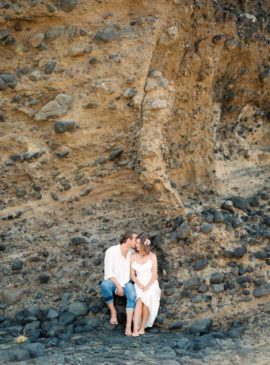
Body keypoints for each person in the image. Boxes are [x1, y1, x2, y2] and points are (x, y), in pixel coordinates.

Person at [101, 231, 137, 336]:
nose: (137, 241)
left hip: (126, 282)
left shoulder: (132, 253)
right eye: (135, 239)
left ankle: (128, 327)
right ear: (129, 240)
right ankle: (113, 312)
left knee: (133, 295)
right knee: (105, 285)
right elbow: (108, 273)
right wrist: (118, 287)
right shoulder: (111, 251)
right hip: (113, 282)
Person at [130, 233, 161, 336]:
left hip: (151, 282)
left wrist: (147, 286)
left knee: (147, 298)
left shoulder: (152, 256)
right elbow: (133, 276)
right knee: (139, 299)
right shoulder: (133, 256)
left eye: (139, 244)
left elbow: (155, 274)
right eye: (136, 243)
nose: (137, 246)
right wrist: (139, 284)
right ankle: (135, 329)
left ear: (145, 244)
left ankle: (142, 327)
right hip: (139, 282)